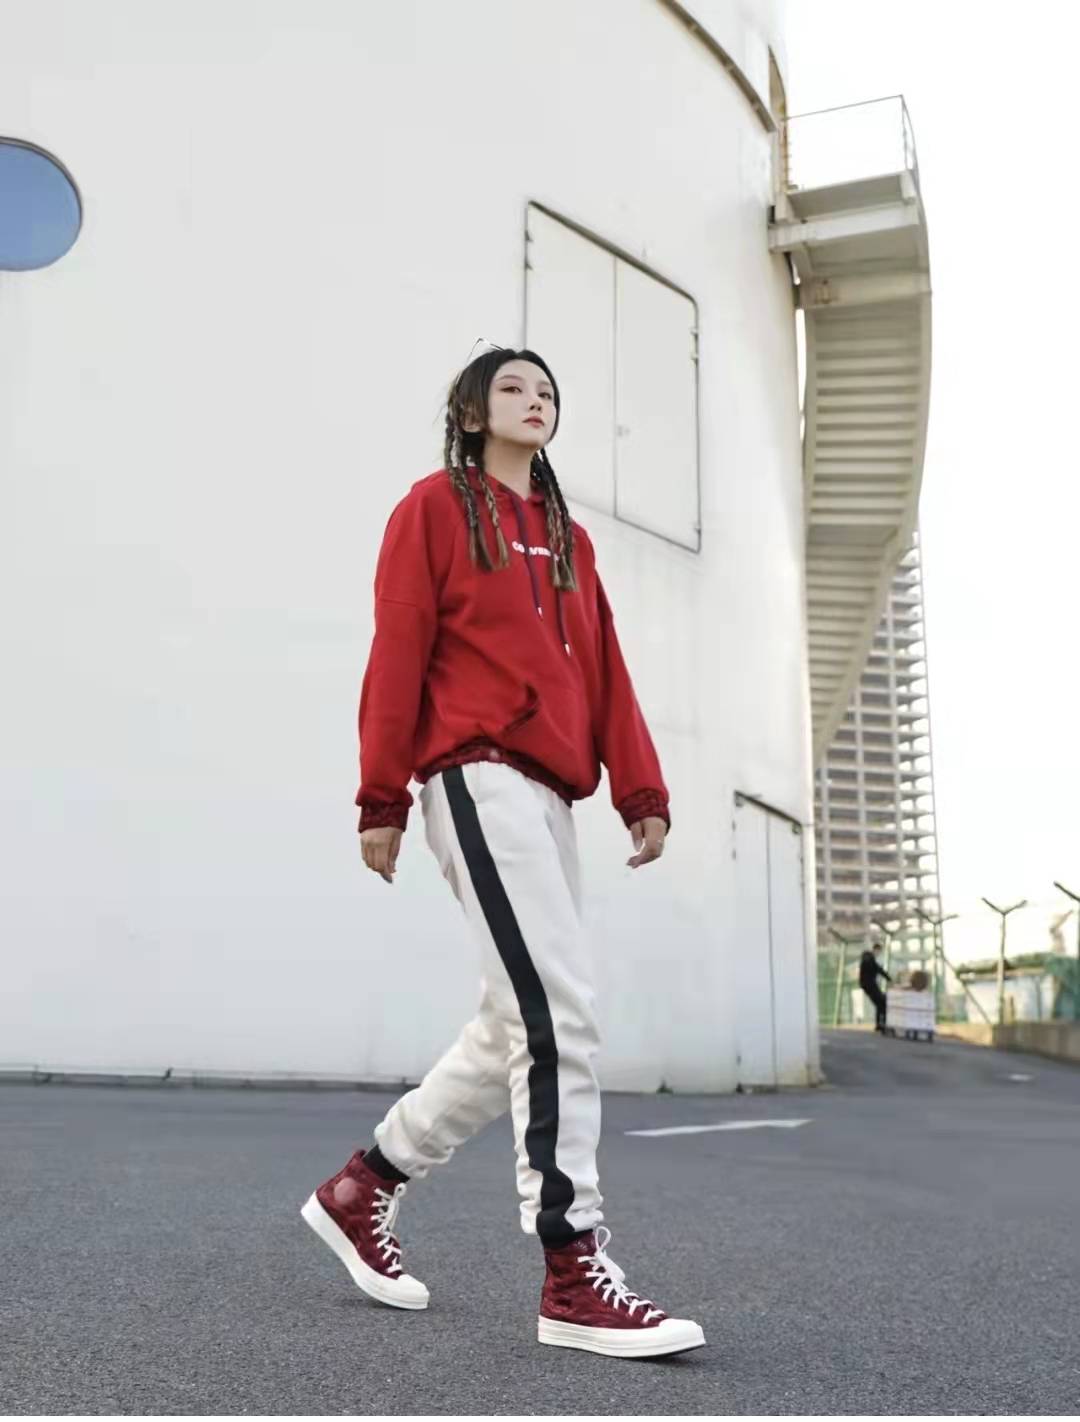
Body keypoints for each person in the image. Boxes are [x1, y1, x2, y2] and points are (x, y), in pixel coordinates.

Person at [299, 344, 705, 1359]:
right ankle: (572, 1269)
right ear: (473, 412)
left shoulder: (569, 539)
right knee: (559, 1012)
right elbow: (398, 648)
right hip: (474, 774)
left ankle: (363, 1186)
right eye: (514, 388)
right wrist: (381, 796)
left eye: (548, 391)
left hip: (550, 789)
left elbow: (605, 664)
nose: (536, 400)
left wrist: (641, 789)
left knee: (512, 1021)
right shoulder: (433, 509)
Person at [859, 940, 892, 1032]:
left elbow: (877, 968)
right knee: (882, 1002)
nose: (879, 954)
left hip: (868, 985)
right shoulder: (869, 958)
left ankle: (879, 1025)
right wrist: (889, 978)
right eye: (879, 951)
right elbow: (878, 969)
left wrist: (887, 978)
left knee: (879, 1003)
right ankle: (882, 1024)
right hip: (869, 985)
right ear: (876, 949)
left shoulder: (869, 958)